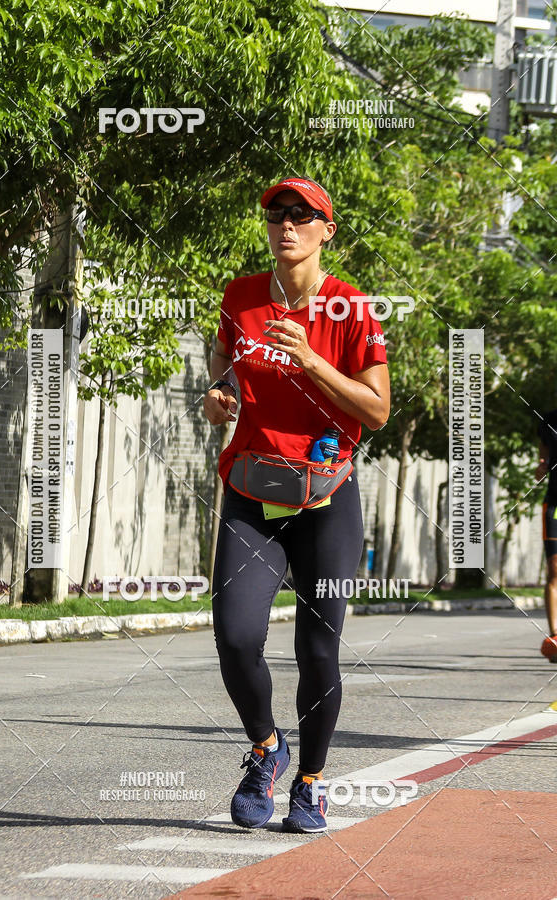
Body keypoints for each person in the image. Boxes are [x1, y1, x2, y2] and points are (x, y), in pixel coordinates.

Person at [202, 176, 390, 833]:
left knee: (319, 649)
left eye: (303, 215)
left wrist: (312, 361)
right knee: (235, 634)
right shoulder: (241, 296)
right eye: (277, 213)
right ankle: (265, 749)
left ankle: (309, 784)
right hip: (253, 492)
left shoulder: (352, 307)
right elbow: (224, 364)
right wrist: (217, 397)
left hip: (326, 498)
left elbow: (377, 409)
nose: (287, 224)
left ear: (325, 230)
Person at [535, 406, 557, 663]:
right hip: (554, 504)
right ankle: (555, 636)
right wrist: (542, 466)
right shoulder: (549, 420)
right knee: (554, 569)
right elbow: (544, 452)